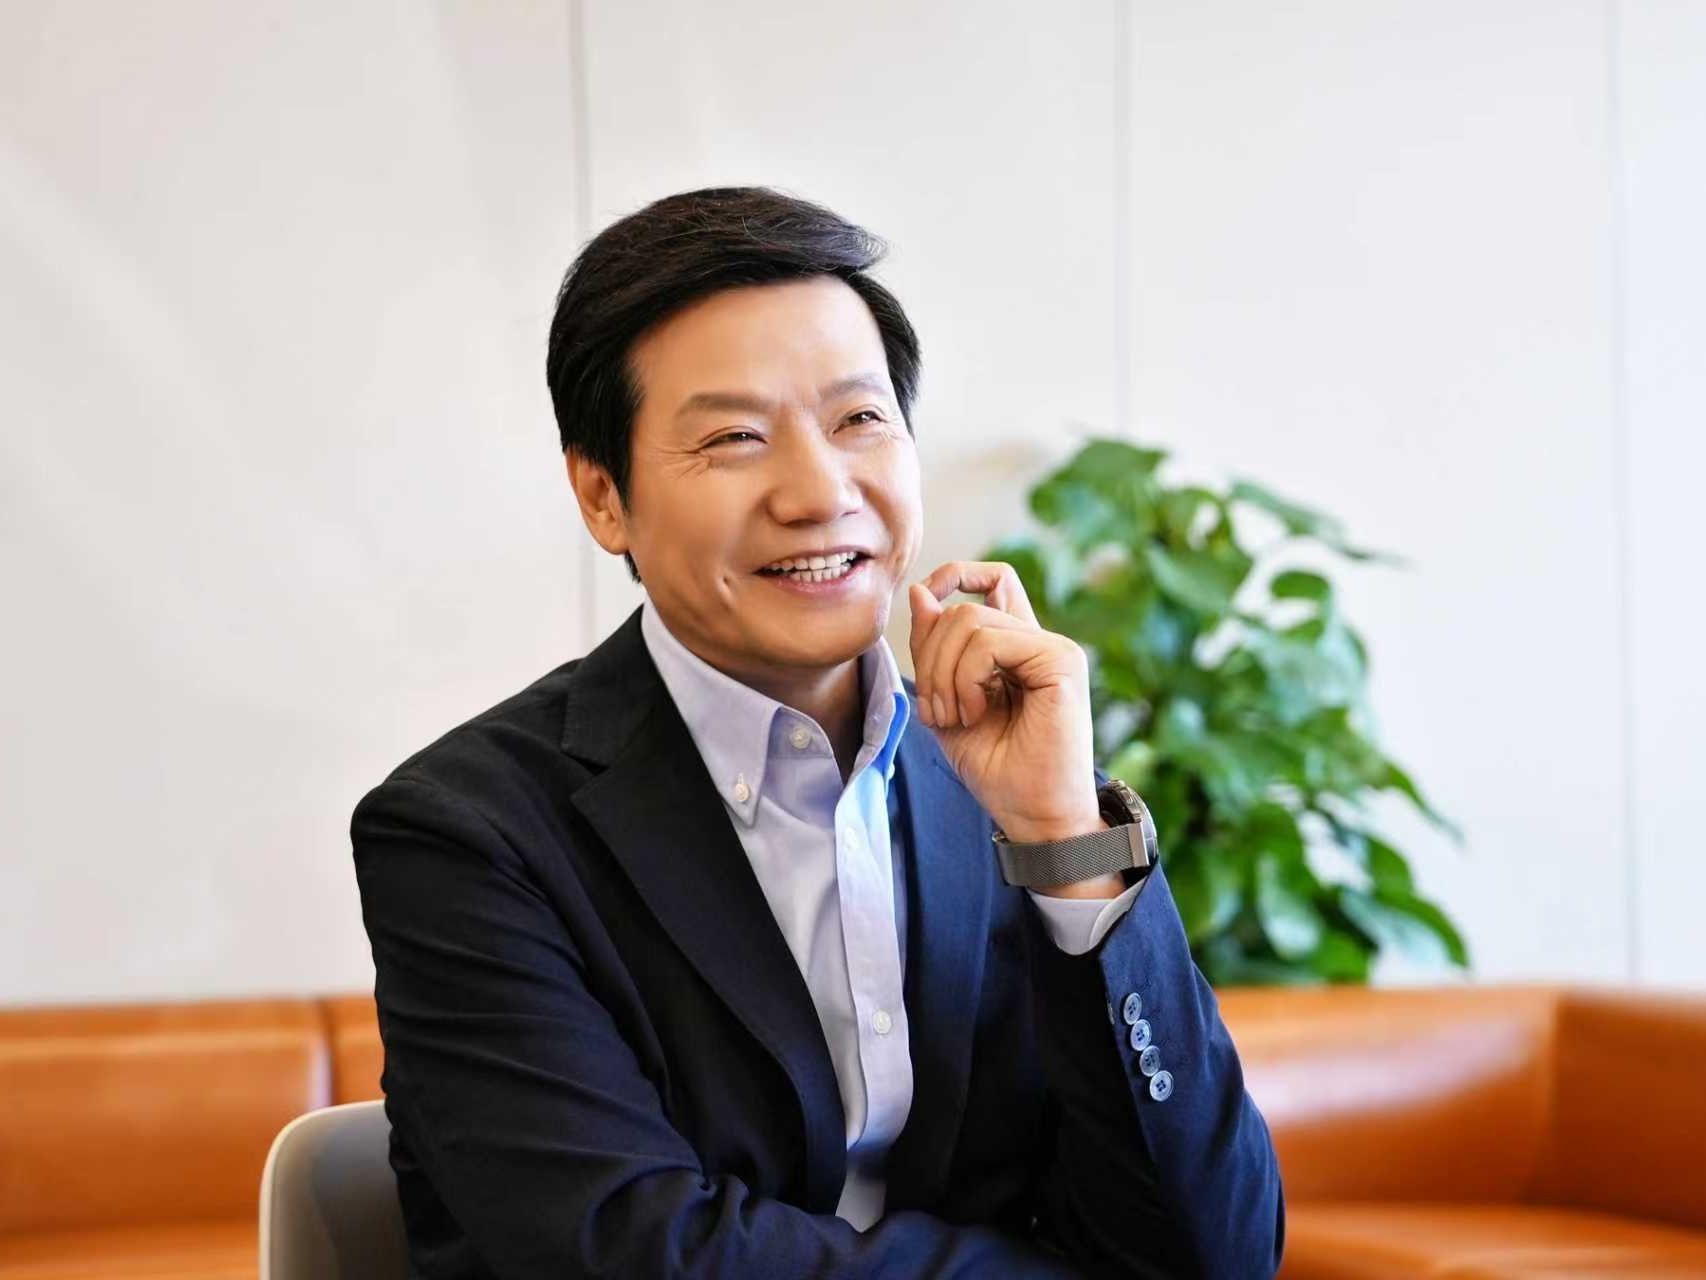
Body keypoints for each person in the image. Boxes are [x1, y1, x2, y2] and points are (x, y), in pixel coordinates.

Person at [352, 186, 1284, 1278]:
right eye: (735, 438)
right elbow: (635, 1252)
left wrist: (1064, 837)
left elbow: (1216, 1251)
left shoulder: (1001, 773)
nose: (818, 491)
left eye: (858, 421)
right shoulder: (467, 833)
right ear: (603, 497)